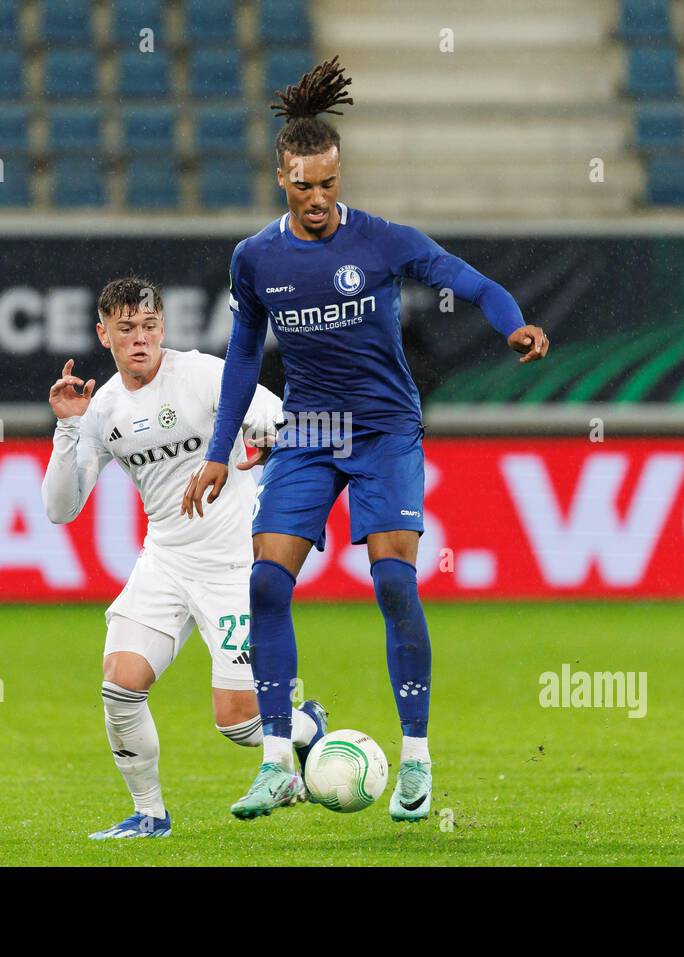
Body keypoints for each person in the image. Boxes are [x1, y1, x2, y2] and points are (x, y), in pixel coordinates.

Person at [181, 57, 549, 822]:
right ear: (280, 175)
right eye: (303, 185)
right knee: (265, 583)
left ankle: (415, 758)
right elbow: (246, 354)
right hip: (309, 429)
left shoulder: (382, 242)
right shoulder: (256, 258)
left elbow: (473, 281)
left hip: (384, 429)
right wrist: (219, 449)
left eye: (329, 184)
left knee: (392, 582)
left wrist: (512, 323)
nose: (318, 201)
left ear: (339, 175)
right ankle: (278, 761)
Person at [43, 277, 327, 839]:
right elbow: (62, 508)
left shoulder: (202, 374)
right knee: (119, 686)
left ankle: (307, 727)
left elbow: (279, 421)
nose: (140, 338)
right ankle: (150, 815)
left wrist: (268, 437)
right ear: (104, 335)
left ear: (163, 327)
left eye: (149, 326)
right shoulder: (101, 409)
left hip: (231, 567)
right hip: (166, 561)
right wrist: (67, 427)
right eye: (126, 329)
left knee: (240, 723)